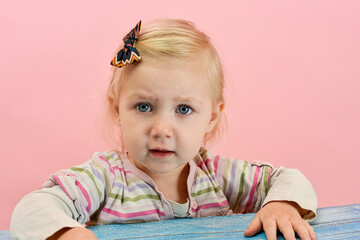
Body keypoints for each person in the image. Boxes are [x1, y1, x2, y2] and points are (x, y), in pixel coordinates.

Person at [10, 18, 317, 240]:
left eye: (183, 109)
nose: (162, 129)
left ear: (211, 116)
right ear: (118, 108)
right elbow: (32, 208)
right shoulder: (104, 178)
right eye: (143, 107)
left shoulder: (217, 176)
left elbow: (288, 178)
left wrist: (283, 204)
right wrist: (67, 233)